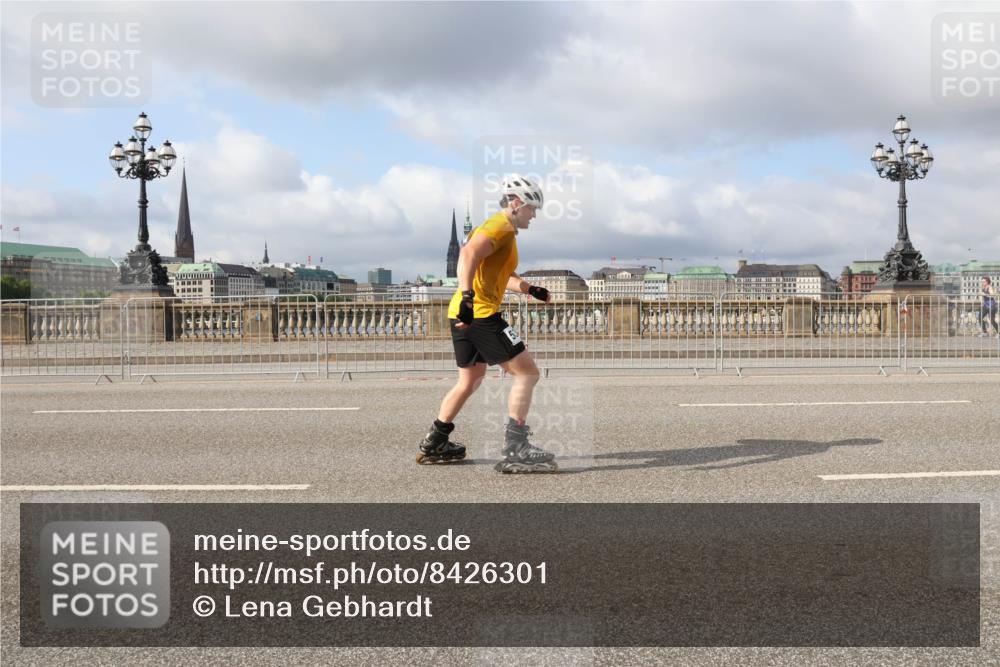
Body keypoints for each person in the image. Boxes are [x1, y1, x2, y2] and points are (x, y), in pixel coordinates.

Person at [416, 174, 557, 473]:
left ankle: (436, 440)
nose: (534, 215)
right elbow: (467, 254)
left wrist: (530, 289)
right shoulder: (500, 225)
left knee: (469, 381)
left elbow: (499, 275)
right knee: (528, 373)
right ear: (517, 203)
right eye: (533, 208)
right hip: (479, 314)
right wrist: (468, 297)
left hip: (462, 314)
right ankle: (516, 447)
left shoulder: (501, 230)